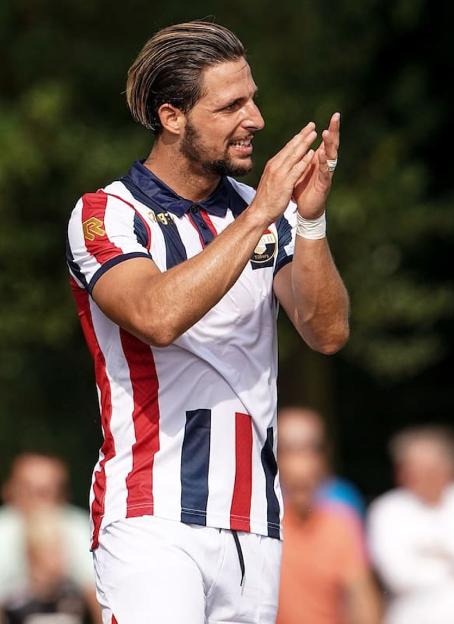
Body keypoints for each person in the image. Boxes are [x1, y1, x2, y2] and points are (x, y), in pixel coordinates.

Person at [65, 19, 349, 624]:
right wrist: (264, 214)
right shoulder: (106, 213)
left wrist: (310, 222)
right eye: (231, 105)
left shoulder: (259, 210)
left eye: (253, 98)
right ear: (173, 118)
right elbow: (155, 316)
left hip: (255, 523)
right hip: (152, 515)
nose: (257, 119)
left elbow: (326, 333)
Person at [367, 425, 454, 624]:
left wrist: (436, 550)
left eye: (426, 469)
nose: (412, 475)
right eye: (408, 467)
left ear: (450, 467)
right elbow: (398, 577)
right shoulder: (387, 509)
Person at [276, 407, 381, 624]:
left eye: (311, 448)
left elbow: (362, 600)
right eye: (288, 449)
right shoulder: (253, 521)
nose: (300, 462)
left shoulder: (341, 518)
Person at [0, 453, 99, 622]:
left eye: (46, 491)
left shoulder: (77, 527)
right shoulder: (5, 529)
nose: (39, 501)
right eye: (29, 490)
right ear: (10, 491)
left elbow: (99, 597)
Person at [0, 509, 88, 624]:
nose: (64, 557)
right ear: (32, 554)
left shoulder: (72, 595)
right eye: (54, 551)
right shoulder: (14, 601)